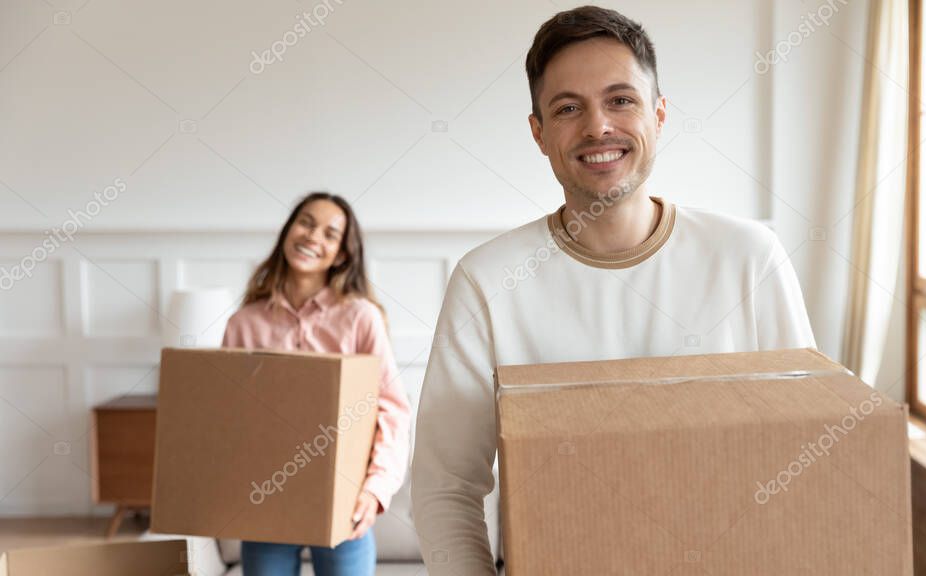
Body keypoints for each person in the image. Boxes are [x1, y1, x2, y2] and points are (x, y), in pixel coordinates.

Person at [410, 5, 817, 575]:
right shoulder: (486, 281)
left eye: (620, 100)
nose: (597, 126)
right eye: (568, 108)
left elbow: (805, 459)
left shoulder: (751, 259)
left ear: (659, 113)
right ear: (539, 133)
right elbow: (444, 487)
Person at [222, 191, 411, 576]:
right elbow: (227, 416)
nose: (312, 237)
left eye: (330, 233)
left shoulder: (360, 318)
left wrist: (375, 490)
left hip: (344, 498)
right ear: (288, 230)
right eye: (306, 223)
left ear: (342, 254)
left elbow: (391, 410)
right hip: (267, 499)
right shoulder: (245, 323)